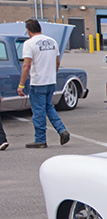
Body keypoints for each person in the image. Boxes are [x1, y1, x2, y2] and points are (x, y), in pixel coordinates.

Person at [17, 19, 69, 149]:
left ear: (28, 30)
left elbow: (26, 65)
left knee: (38, 111)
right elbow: (57, 62)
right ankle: (62, 130)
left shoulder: (29, 43)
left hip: (38, 82)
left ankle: (40, 139)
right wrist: (51, 74)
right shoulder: (52, 41)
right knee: (48, 107)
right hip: (51, 81)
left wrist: (21, 85)